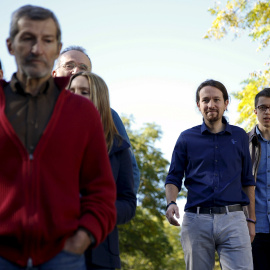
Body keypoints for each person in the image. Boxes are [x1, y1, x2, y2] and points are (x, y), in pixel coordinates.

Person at [0, 5, 116, 269]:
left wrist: (84, 236)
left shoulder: (82, 112)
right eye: (27, 38)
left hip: (63, 256)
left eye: (47, 40)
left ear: (56, 47)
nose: (37, 49)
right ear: (10, 45)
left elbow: (102, 190)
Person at [165, 79, 256, 270]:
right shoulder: (186, 138)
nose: (211, 105)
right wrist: (171, 202)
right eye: (205, 100)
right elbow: (174, 177)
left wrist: (251, 220)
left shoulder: (239, 136)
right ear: (198, 105)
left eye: (216, 99)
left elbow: (247, 181)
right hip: (196, 221)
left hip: (234, 219)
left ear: (226, 103)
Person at [68, 71, 136, 270]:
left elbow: (129, 204)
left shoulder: (118, 147)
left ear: (99, 98)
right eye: (71, 91)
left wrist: (98, 212)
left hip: (100, 253)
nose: (75, 96)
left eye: (84, 92)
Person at [52, 46, 140, 194]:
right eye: (69, 65)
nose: (76, 71)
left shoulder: (108, 116)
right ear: (54, 74)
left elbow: (130, 173)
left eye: (83, 68)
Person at [248, 88, 270, 270]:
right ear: (255, 111)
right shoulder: (243, 142)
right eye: (263, 107)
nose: (267, 112)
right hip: (253, 230)